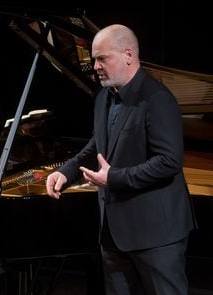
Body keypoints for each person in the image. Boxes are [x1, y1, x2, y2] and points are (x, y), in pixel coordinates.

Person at [45, 24, 196, 294]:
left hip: (156, 235)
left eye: (103, 58)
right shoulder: (104, 96)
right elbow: (97, 146)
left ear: (128, 54)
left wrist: (113, 178)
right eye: (94, 59)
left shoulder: (158, 99)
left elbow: (169, 161)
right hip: (113, 234)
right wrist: (67, 172)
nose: (96, 66)